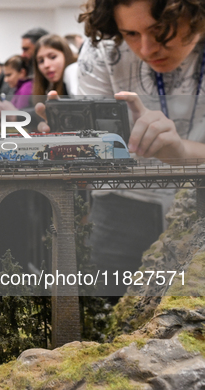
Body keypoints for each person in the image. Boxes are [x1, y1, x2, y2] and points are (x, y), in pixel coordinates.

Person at [36, 0, 205, 296]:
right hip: (123, 201)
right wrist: (73, 146)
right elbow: (97, 154)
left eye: (161, 30)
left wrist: (181, 153)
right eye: (130, 34)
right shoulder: (101, 47)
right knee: (108, 312)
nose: (147, 49)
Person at [32, 34, 77, 99]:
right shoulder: (49, 88)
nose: (46, 65)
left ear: (66, 56)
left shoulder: (74, 71)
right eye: (41, 61)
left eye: (53, 57)